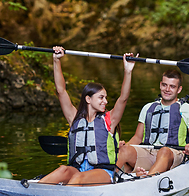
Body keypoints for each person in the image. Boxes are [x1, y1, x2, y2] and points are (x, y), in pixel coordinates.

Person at [39, 46, 137, 186]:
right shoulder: (75, 118)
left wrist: (128, 71)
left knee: (77, 179)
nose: (106, 101)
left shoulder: (109, 120)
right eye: (101, 97)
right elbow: (61, 91)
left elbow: (123, 98)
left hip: (103, 172)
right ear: (88, 99)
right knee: (62, 170)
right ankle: (31, 193)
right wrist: (56, 61)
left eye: (106, 98)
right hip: (78, 169)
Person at [116, 69, 189, 176]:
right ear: (160, 85)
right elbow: (137, 138)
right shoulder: (148, 108)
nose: (167, 89)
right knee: (124, 150)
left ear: (179, 89)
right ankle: (105, 179)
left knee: (164, 151)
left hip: (173, 153)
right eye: (165, 85)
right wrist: (124, 146)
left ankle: (148, 180)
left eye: (172, 86)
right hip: (149, 152)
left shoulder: (188, 109)